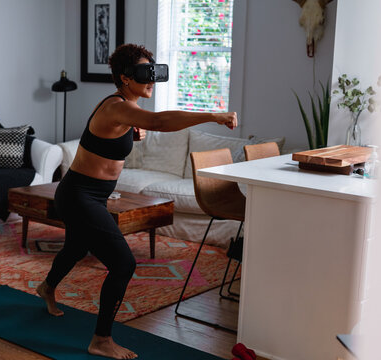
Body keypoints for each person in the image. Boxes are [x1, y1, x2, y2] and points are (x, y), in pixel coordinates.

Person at [37, 43, 237, 360]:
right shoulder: (116, 107)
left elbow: (122, 131)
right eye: (145, 74)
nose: (151, 81)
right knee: (123, 263)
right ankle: (101, 340)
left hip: (91, 195)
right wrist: (211, 115)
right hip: (78, 194)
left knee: (76, 247)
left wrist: (130, 134)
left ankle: (47, 287)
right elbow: (158, 121)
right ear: (125, 78)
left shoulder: (125, 111)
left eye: (153, 73)